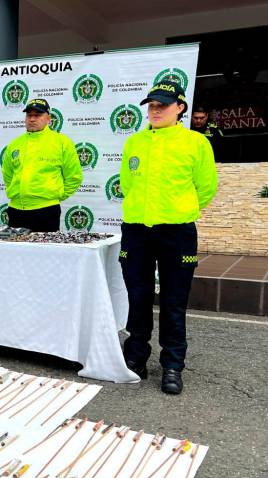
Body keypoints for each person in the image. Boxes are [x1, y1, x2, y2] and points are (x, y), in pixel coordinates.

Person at [119, 80, 218, 394]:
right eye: (151, 105)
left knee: (174, 301)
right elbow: (127, 183)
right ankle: (135, 357)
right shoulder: (134, 143)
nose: (155, 110)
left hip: (176, 231)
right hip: (136, 229)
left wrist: (177, 210)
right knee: (138, 297)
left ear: (181, 108)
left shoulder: (195, 143)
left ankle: (173, 365)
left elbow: (206, 188)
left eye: (162, 105)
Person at [1, 98, 82, 231]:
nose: (32, 119)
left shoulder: (61, 142)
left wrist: (55, 195)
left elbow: (74, 176)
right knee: (16, 251)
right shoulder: (15, 144)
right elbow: (7, 174)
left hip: (46, 211)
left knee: (46, 251)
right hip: (16, 210)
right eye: (29, 115)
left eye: (37, 115)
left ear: (48, 118)